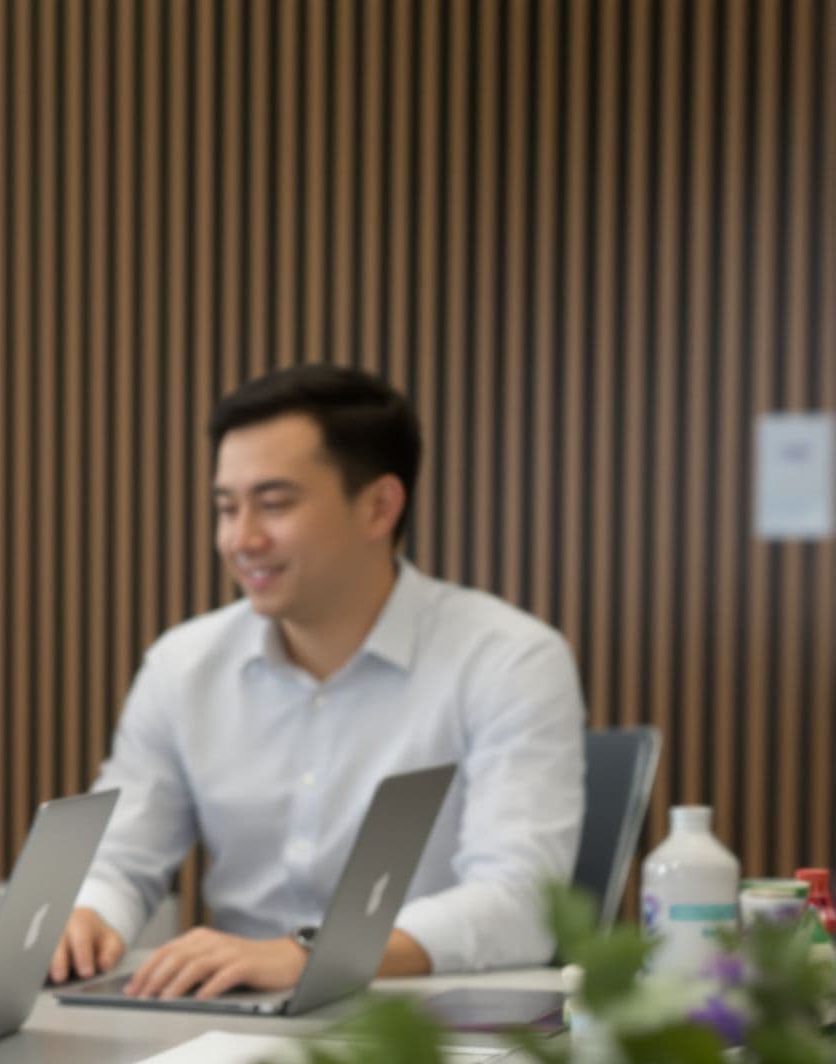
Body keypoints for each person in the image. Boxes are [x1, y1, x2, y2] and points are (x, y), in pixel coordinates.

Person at [48, 364, 585, 999]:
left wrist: (310, 955)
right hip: (226, 1013)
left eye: (274, 505)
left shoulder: (509, 660)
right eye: (227, 508)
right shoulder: (183, 665)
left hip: (422, 1022)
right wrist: (86, 914)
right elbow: (118, 859)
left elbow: (522, 902)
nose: (241, 539)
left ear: (379, 507)